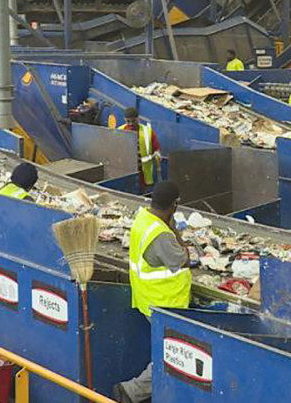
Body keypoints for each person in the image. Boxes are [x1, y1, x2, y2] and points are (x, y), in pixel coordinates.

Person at [113, 181, 191, 403]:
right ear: (174, 206)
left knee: (166, 350)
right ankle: (130, 392)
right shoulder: (161, 234)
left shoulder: (143, 219)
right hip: (164, 301)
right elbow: (184, 260)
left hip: (147, 297)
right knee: (171, 355)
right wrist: (176, 231)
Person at [0, 162, 38, 254]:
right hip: (3, 253)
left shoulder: (2, 190)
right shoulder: (26, 199)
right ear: (31, 185)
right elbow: (30, 230)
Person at [118, 107, 162, 192]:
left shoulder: (147, 131)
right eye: (128, 121)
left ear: (138, 119)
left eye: (133, 121)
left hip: (144, 172)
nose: (130, 124)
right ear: (124, 119)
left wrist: (157, 154)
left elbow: (156, 148)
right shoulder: (120, 131)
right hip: (127, 171)